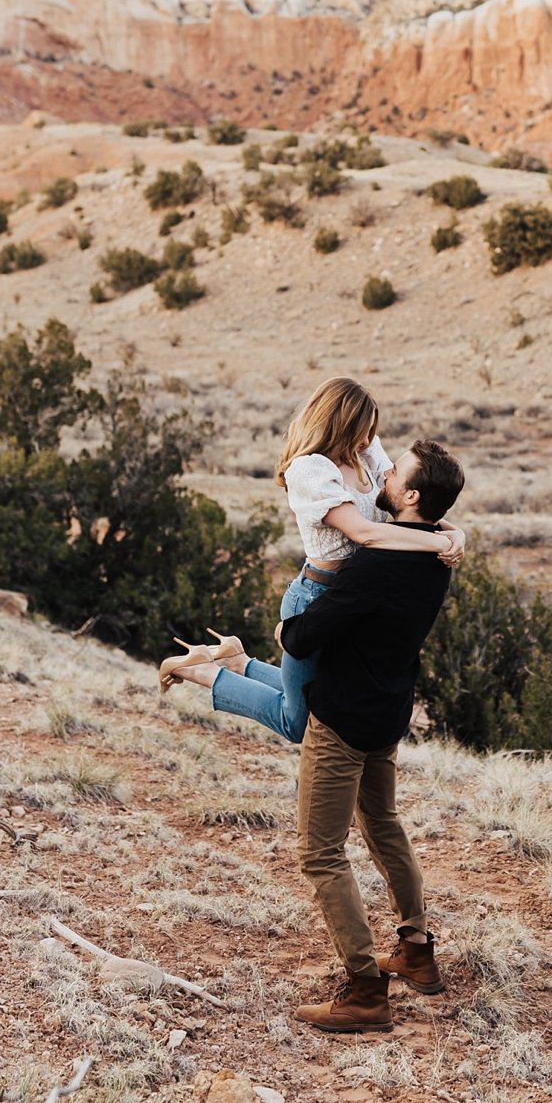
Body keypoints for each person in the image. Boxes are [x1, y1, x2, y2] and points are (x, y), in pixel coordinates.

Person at [161, 439, 465, 1033]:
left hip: (343, 722)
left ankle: (365, 991)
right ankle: (417, 953)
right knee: (383, 826)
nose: (383, 473)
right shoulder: (437, 556)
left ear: (409, 496)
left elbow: (299, 639)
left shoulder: (374, 562)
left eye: (394, 471)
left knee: (321, 854)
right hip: (386, 714)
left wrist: (283, 622)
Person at [158, 378, 463, 742]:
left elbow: (407, 501)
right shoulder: (310, 470)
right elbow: (364, 533)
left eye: (370, 432)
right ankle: (205, 672)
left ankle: (237, 662)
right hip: (318, 594)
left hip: (357, 595)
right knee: (296, 722)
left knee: (324, 692)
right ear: (338, 426)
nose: (368, 441)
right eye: (360, 432)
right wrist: (436, 544)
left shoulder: (365, 452)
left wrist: (456, 533)